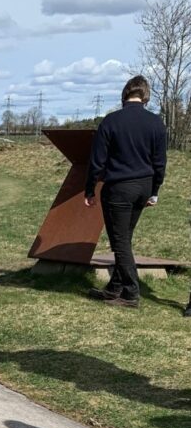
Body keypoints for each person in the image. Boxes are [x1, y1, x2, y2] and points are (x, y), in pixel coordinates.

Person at [84, 75, 167, 310]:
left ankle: (131, 292)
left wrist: (90, 188)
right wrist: (155, 191)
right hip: (144, 186)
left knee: (120, 242)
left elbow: (97, 161)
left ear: (125, 94)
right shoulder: (156, 123)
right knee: (124, 238)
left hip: (119, 188)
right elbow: (160, 162)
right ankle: (114, 288)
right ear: (145, 96)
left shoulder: (111, 122)